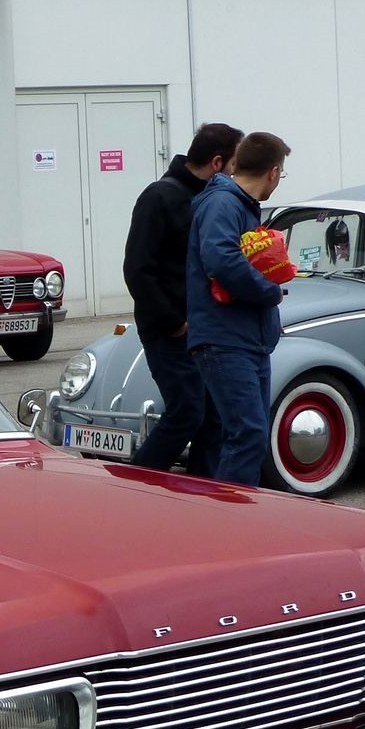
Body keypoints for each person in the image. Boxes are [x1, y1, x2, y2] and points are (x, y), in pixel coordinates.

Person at [122, 122, 243, 475]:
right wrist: (175, 322)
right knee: (188, 411)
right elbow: (138, 270)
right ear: (218, 163)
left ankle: (204, 498)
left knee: (213, 417)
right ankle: (137, 484)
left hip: (205, 330)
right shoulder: (159, 197)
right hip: (170, 331)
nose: (239, 174)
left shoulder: (214, 200)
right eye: (236, 165)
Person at [185, 131, 292, 486]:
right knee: (247, 434)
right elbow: (221, 259)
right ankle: (232, 527)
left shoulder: (237, 204)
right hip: (226, 341)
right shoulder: (224, 204)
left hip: (247, 340)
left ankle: (238, 516)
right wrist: (269, 292)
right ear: (274, 172)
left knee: (251, 436)